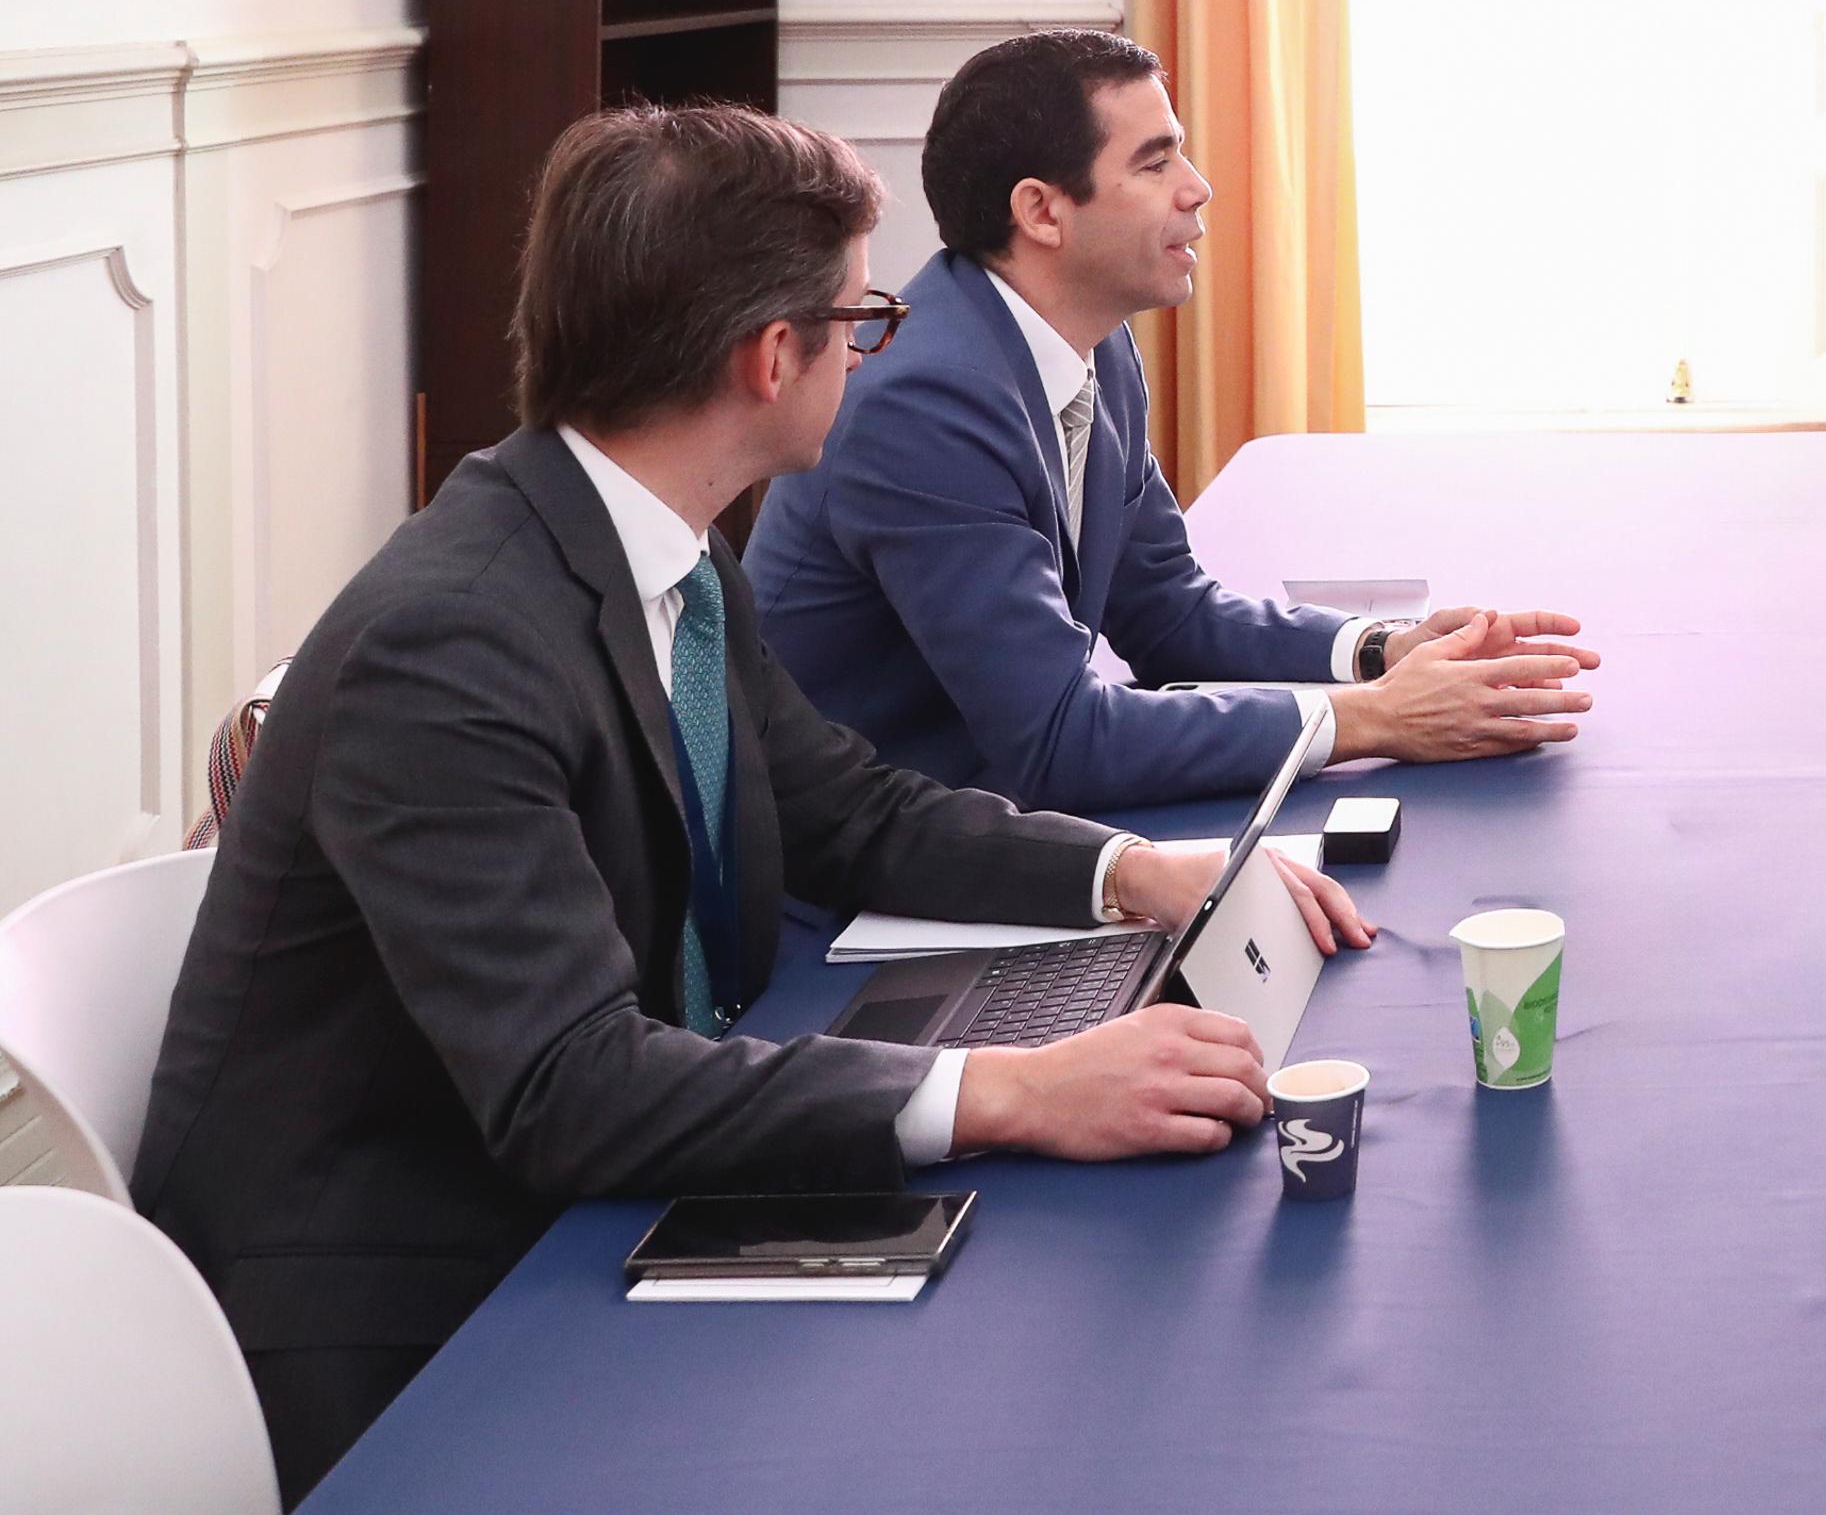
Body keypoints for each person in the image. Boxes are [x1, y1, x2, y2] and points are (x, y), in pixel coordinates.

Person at [134, 106, 1374, 1496]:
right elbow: (569, 1086)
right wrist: (1015, 1087)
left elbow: (848, 809)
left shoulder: (651, 537)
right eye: (861, 318)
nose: (868, 347)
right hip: (415, 1309)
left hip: (560, 1188)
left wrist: (1132, 870)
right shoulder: (454, 640)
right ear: (770, 356)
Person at [745, 31, 1596, 811]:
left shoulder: (1095, 346)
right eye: (1155, 164)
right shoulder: (924, 404)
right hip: (857, 883)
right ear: (1041, 211)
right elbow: (1059, 742)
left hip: (987, 826)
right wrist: (1375, 719)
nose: (1199, 188)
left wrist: (1384, 650)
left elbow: (1168, 614)